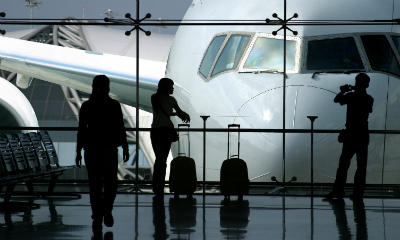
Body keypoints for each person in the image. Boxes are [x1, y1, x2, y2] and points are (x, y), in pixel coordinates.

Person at [75, 75, 129, 229]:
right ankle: (107, 209)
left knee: (95, 186)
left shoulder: (87, 106)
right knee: (111, 184)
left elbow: (81, 130)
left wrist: (78, 151)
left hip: (91, 151)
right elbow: (120, 127)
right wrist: (125, 146)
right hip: (109, 150)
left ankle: (97, 215)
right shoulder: (114, 105)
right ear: (107, 87)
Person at [325, 73, 374, 199]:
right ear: (367, 85)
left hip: (351, 134)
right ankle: (358, 193)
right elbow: (367, 110)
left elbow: (336, 100)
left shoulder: (351, 96)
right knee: (361, 167)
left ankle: (338, 191)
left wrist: (343, 91)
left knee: (343, 165)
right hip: (363, 135)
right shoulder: (369, 99)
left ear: (357, 83)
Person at [151, 78, 190, 196]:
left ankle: (156, 186)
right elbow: (179, 112)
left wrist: (172, 113)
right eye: (171, 86)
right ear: (166, 87)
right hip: (166, 131)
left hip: (155, 130)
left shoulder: (154, 98)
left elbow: (161, 111)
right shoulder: (171, 100)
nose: (172, 88)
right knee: (163, 159)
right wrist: (181, 114)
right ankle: (160, 186)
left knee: (158, 159)